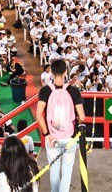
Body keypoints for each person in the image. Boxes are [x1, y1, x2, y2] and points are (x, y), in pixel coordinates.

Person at [36, 59, 85, 192]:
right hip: (69, 136)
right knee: (67, 170)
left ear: (51, 72)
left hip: (52, 136)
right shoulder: (73, 90)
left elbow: (39, 115)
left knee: (54, 168)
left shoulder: (45, 91)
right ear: (65, 72)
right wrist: (76, 128)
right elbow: (82, 116)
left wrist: (47, 134)